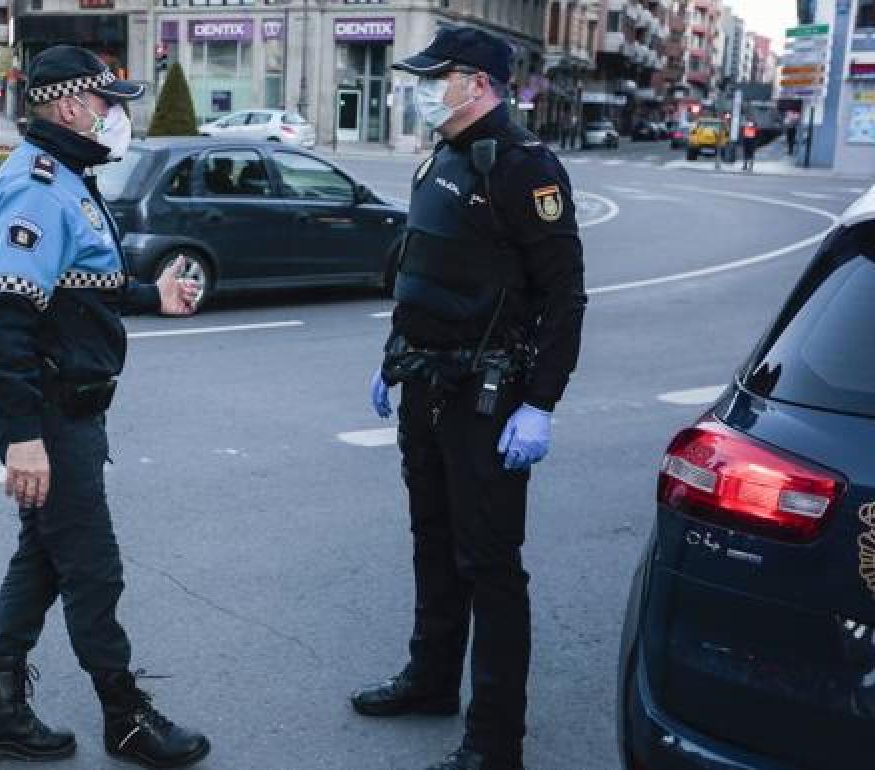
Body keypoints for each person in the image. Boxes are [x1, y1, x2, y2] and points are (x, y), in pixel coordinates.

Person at [0, 44, 211, 768]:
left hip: (70, 409)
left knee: (41, 560)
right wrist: (22, 437)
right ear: (71, 106)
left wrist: (151, 295)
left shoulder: (68, 174)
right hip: (51, 416)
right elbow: (2, 323)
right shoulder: (37, 187)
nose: (116, 116)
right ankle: (125, 717)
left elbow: (75, 286)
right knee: (93, 570)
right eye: (108, 103)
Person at [352, 25, 586, 770]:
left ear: (478, 83)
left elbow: (564, 297)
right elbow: (420, 268)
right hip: (425, 384)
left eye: (435, 77)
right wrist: (393, 359)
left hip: (489, 399)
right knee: (432, 545)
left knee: (490, 565)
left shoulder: (522, 168)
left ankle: (494, 741)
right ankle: (430, 681)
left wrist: (540, 402)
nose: (422, 89)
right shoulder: (441, 158)